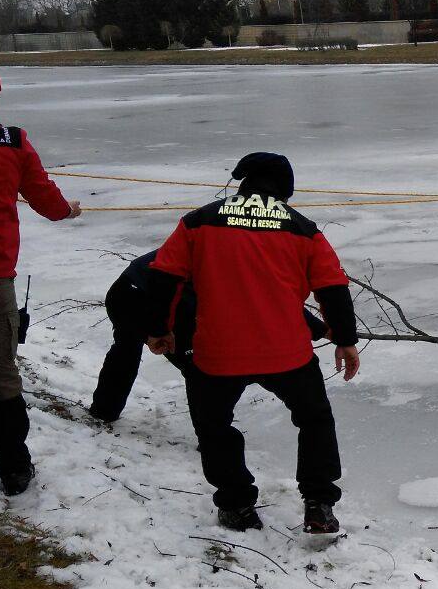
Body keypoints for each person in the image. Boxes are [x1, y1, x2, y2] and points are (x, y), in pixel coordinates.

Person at [145, 152, 360, 534]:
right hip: (288, 353)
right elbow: (333, 287)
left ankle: (236, 504)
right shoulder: (302, 228)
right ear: (286, 188)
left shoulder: (200, 221)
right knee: (314, 420)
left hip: (217, 353)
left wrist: (160, 328)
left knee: (214, 425)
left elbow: (163, 277)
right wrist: (344, 339)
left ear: (243, 181)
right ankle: (319, 504)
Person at [0, 55, 82, 495]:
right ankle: (15, 470)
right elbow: (45, 199)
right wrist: (68, 210)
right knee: (1, 379)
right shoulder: (12, 140)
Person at [88, 251, 332, 423]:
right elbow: (276, 300)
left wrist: (322, 329)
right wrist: (157, 328)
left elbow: (278, 299)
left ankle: (104, 411)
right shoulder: (242, 260)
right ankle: (210, 438)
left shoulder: (253, 259)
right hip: (134, 293)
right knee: (195, 362)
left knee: (137, 349)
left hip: (152, 292)